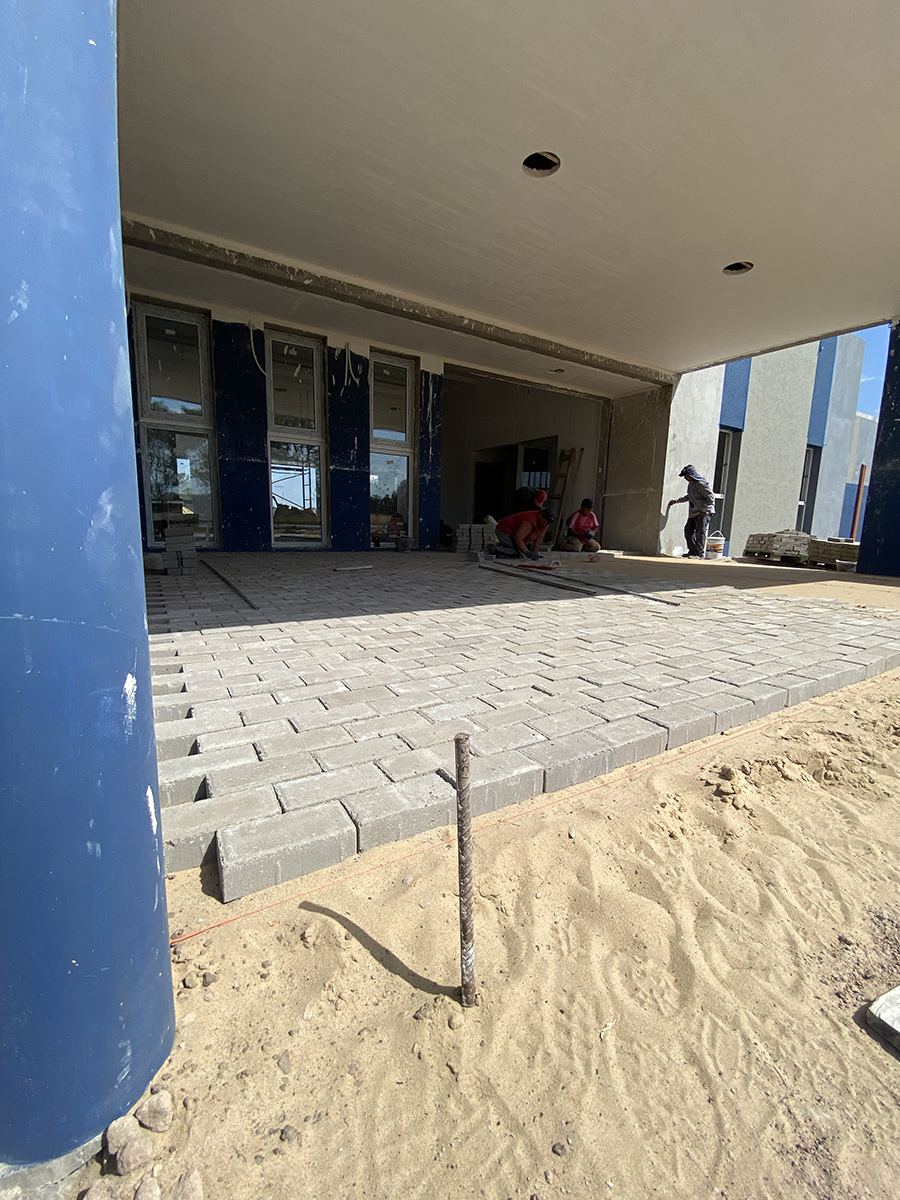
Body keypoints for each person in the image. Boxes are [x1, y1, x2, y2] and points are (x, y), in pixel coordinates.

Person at [667, 464, 716, 558]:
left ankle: (699, 553)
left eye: (686, 476)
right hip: (694, 512)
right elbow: (689, 496)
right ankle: (692, 551)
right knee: (688, 530)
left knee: (700, 532)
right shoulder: (691, 484)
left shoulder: (700, 484)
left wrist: (704, 510)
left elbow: (711, 497)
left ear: (691, 475)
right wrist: (677, 501)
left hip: (703, 512)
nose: (685, 478)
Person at [489, 506, 555, 559]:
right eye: (544, 522)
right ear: (540, 515)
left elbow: (539, 538)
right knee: (518, 553)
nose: (544, 525)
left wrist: (535, 554)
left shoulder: (545, 524)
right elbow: (517, 538)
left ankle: (502, 548)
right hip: (504, 530)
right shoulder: (529, 523)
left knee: (520, 552)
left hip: (514, 533)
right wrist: (526, 552)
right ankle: (491, 549)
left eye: (547, 524)